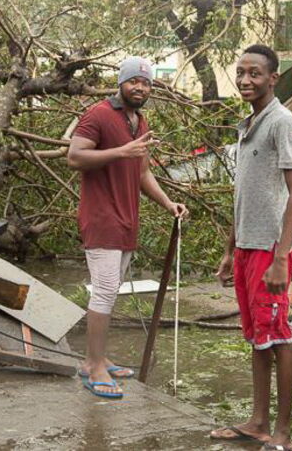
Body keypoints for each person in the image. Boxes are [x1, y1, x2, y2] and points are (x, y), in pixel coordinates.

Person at [67, 55, 188, 399]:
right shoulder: (98, 114)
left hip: (127, 220)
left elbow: (143, 172)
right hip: (102, 218)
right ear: (121, 82)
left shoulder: (140, 122)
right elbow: (75, 157)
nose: (140, 87)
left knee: (112, 290)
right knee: (104, 291)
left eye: (146, 83)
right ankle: (93, 366)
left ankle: (99, 356)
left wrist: (168, 203)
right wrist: (121, 151)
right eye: (134, 81)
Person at [210, 44, 292, 451]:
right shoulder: (247, 123)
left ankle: (281, 435)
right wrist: (231, 249)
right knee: (257, 337)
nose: (246, 80)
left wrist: (281, 257)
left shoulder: (281, 122)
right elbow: (243, 194)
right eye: (241, 72)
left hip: (272, 250)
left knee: (278, 336)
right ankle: (258, 422)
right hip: (248, 247)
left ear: (273, 78)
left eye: (255, 74)